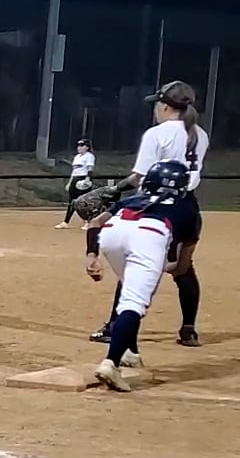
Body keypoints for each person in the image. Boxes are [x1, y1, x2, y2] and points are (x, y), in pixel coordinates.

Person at [90, 81, 212, 347]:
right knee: (183, 269)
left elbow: (140, 177)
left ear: (166, 106)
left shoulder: (157, 134)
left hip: (155, 205)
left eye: (158, 104)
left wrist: (113, 190)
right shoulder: (200, 134)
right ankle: (188, 330)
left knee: (135, 264)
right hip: (187, 206)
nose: (156, 109)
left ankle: (115, 327)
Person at [83, 160, 194, 391]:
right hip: (150, 235)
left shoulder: (132, 199)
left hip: (113, 232)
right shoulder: (187, 208)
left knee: (129, 287)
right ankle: (111, 363)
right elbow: (181, 266)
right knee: (134, 302)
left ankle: (130, 352)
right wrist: (162, 266)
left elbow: (95, 223)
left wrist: (92, 255)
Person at [56, 138, 95, 229]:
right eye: (78, 146)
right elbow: (74, 172)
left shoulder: (89, 156)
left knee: (84, 202)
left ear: (87, 147)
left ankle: (87, 222)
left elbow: (90, 169)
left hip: (83, 178)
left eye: (82, 146)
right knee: (72, 202)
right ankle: (66, 222)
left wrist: (87, 179)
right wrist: (70, 183)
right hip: (75, 179)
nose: (79, 147)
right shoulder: (77, 157)